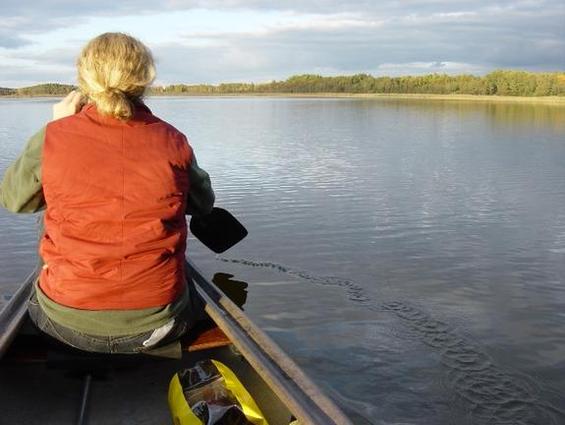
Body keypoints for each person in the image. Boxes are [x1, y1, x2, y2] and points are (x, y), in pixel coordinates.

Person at [0, 33, 215, 355]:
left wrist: (57, 129)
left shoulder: (54, 136)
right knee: (192, 291)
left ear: (84, 79)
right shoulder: (173, 140)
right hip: (159, 326)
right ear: (145, 78)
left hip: (64, 324)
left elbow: (16, 201)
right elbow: (203, 204)